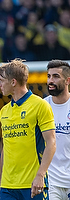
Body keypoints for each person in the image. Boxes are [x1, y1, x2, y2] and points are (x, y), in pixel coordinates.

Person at [0, 59, 56, 199]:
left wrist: (40, 175)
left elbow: (51, 143)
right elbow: (6, 148)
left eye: (1, 80)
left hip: (33, 184)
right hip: (7, 187)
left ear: (13, 82)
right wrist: (0, 184)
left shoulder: (40, 105)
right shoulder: (4, 111)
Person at [45, 60, 70, 200]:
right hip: (51, 182)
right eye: (48, 76)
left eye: (55, 76)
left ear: (67, 81)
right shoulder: (42, 106)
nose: (50, 80)